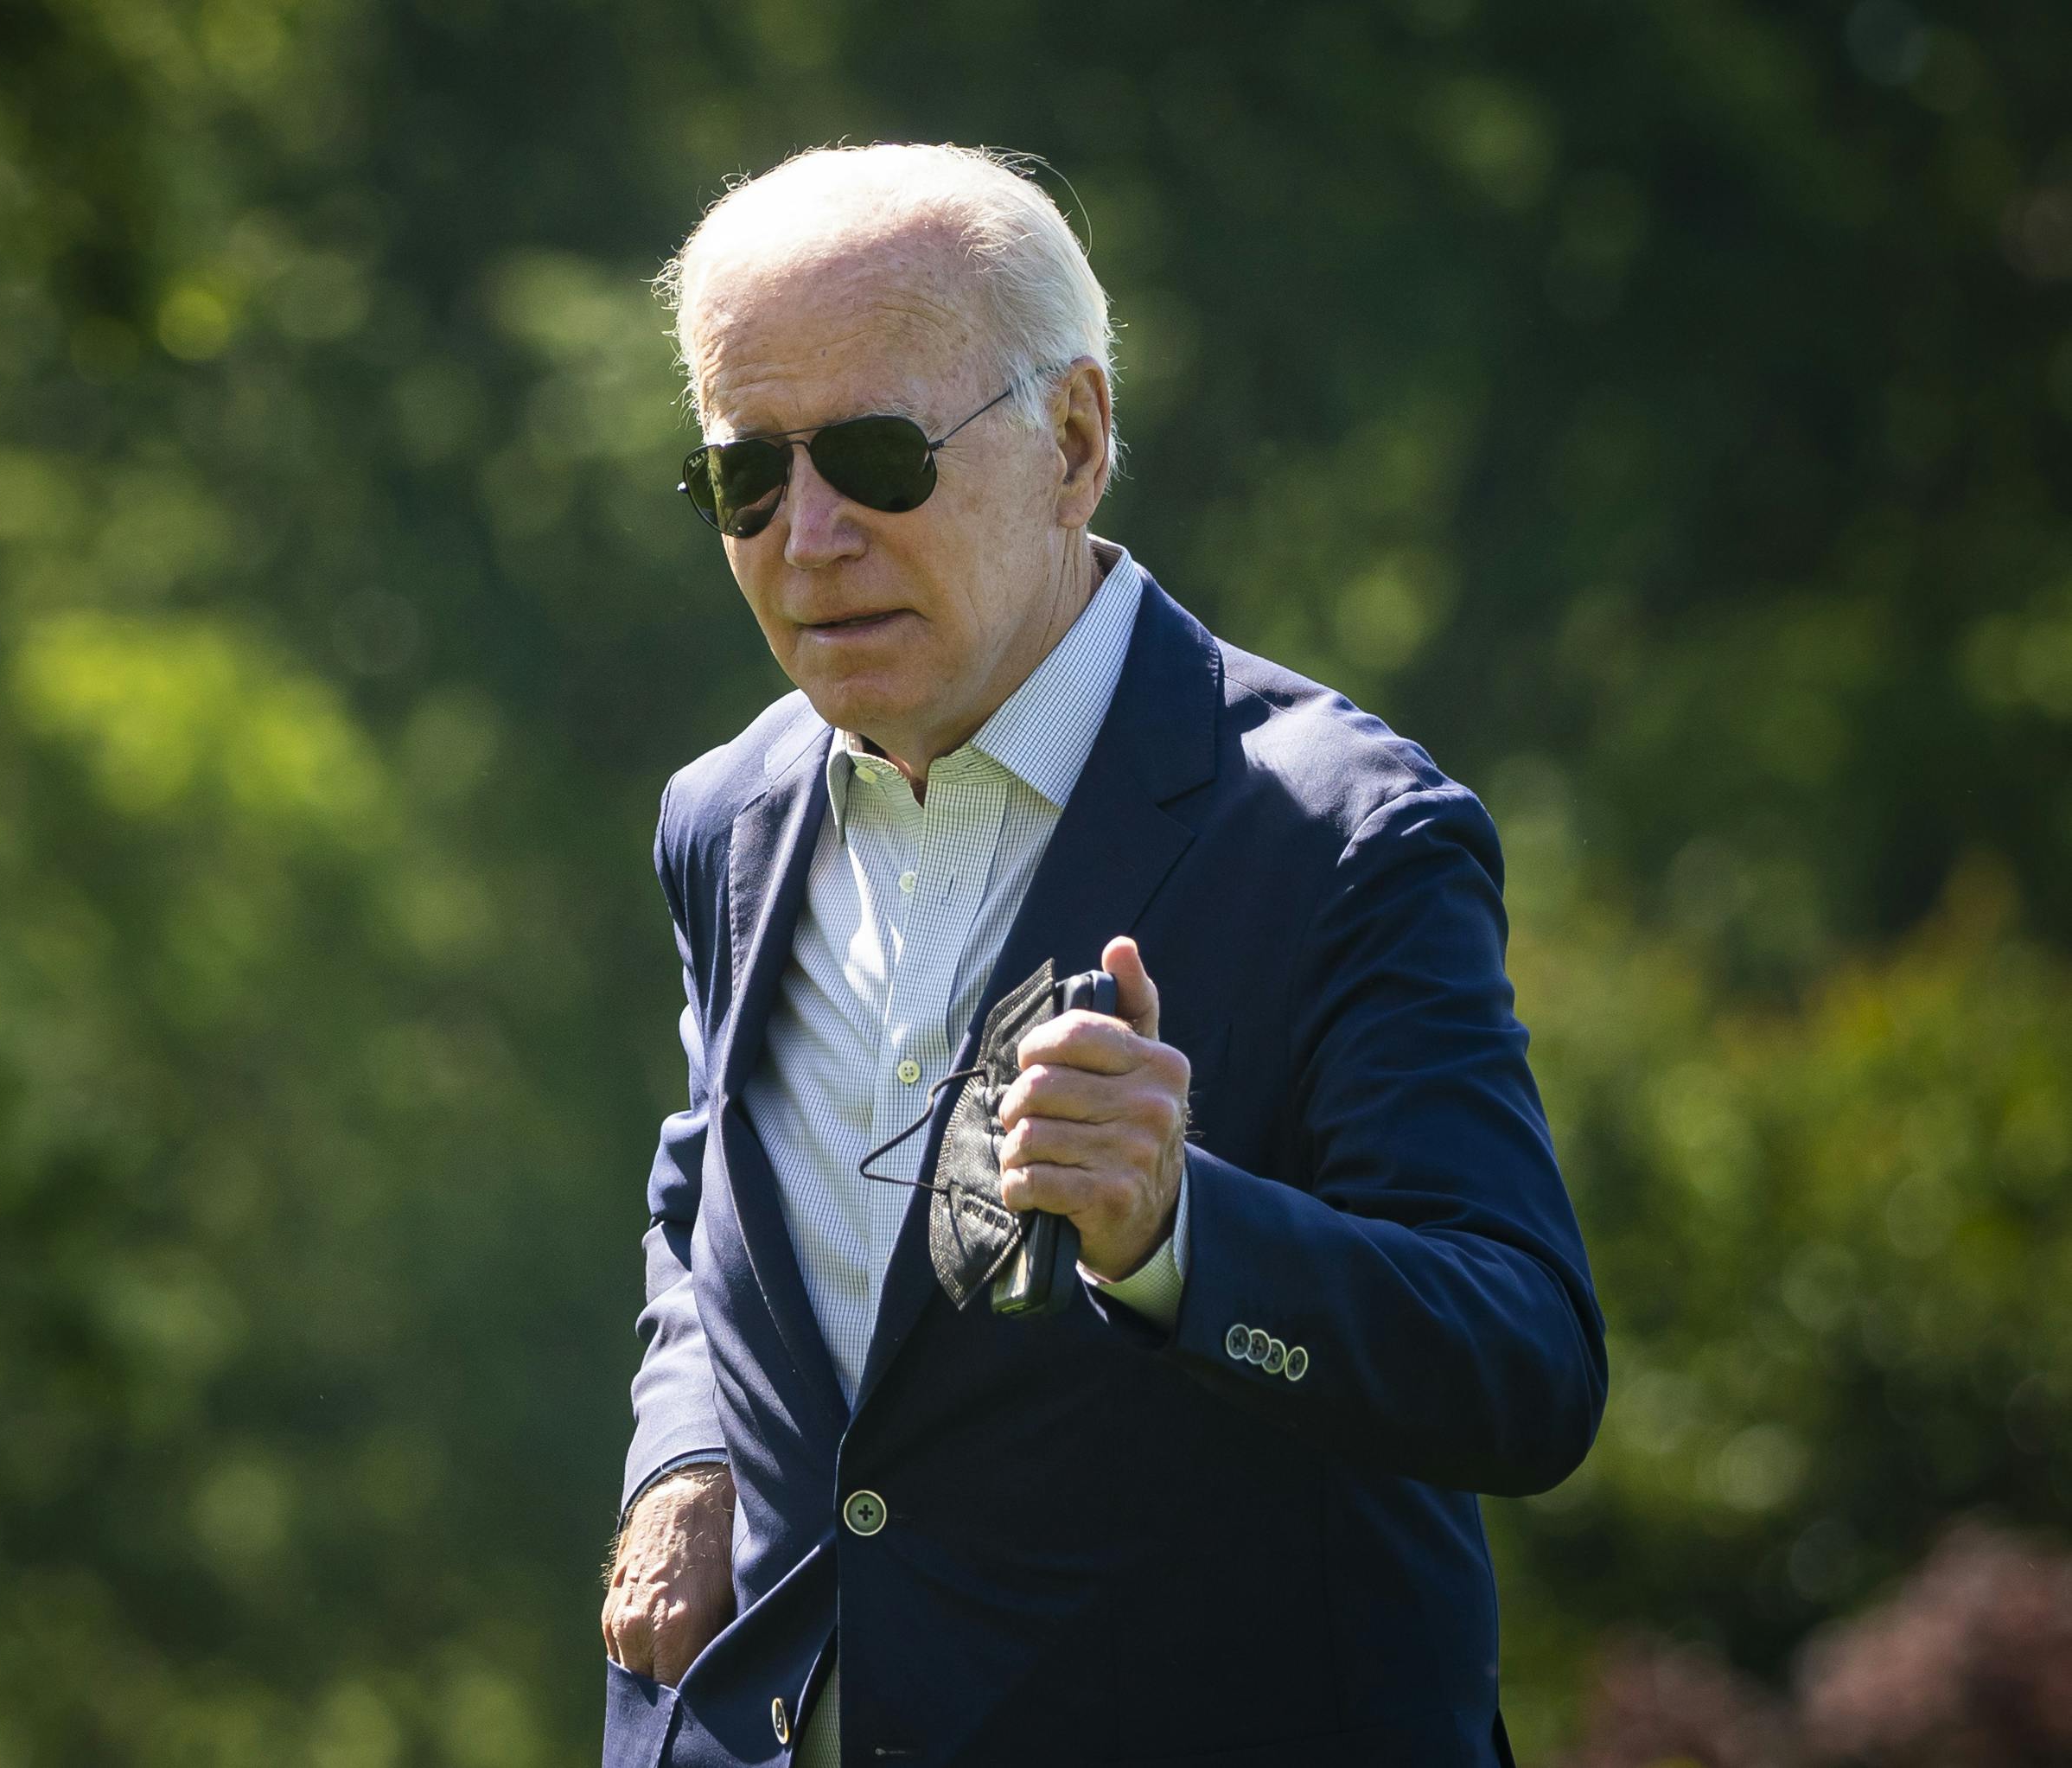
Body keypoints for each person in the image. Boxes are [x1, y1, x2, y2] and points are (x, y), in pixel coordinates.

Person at [600, 142, 1605, 1768]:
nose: (811, 534)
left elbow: (1527, 1366)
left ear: (1074, 442)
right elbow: (702, 1197)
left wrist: (1178, 1228)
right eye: (748, 477)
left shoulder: (1348, 835)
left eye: (873, 455)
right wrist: (681, 1451)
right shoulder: (724, 815)